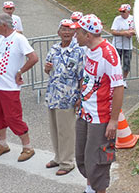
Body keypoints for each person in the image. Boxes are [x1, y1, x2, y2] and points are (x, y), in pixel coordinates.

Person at [71, 14, 124, 193]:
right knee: (83, 157)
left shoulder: (108, 53)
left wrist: (114, 121)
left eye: (77, 32)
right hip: (85, 113)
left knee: (98, 162)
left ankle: (98, 189)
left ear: (88, 35)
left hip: (101, 118)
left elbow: (118, 87)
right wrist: (81, 97)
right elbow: (89, 78)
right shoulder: (88, 49)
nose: (74, 36)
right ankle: (89, 189)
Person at [0, 13, 38, 162]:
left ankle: (27, 147)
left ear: (4, 26)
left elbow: (34, 58)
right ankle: (2, 144)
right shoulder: (1, 38)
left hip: (9, 87)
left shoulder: (19, 39)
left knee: (13, 117)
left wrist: (20, 71)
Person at [44, 19, 85, 175]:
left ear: (74, 33)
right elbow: (48, 70)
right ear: (58, 32)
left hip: (68, 97)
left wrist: (81, 96)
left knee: (66, 131)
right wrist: (47, 69)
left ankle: (67, 162)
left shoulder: (78, 51)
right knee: (54, 129)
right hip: (53, 95)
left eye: (70, 29)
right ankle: (58, 157)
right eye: (64, 29)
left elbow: (82, 76)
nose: (66, 32)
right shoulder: (54, 48)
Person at [111, 4, 135, 84]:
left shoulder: (133, 19)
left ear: (128, 11)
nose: (121, 13)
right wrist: (124, 33)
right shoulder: (117, 19)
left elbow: (137, 31)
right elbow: (113, 31)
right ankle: (115, 80)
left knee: (127, 64)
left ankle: (124, 80)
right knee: (116, 64)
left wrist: (131, 33)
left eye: (123, 12)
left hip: (127, 46)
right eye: (120, 11)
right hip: (117, 45)